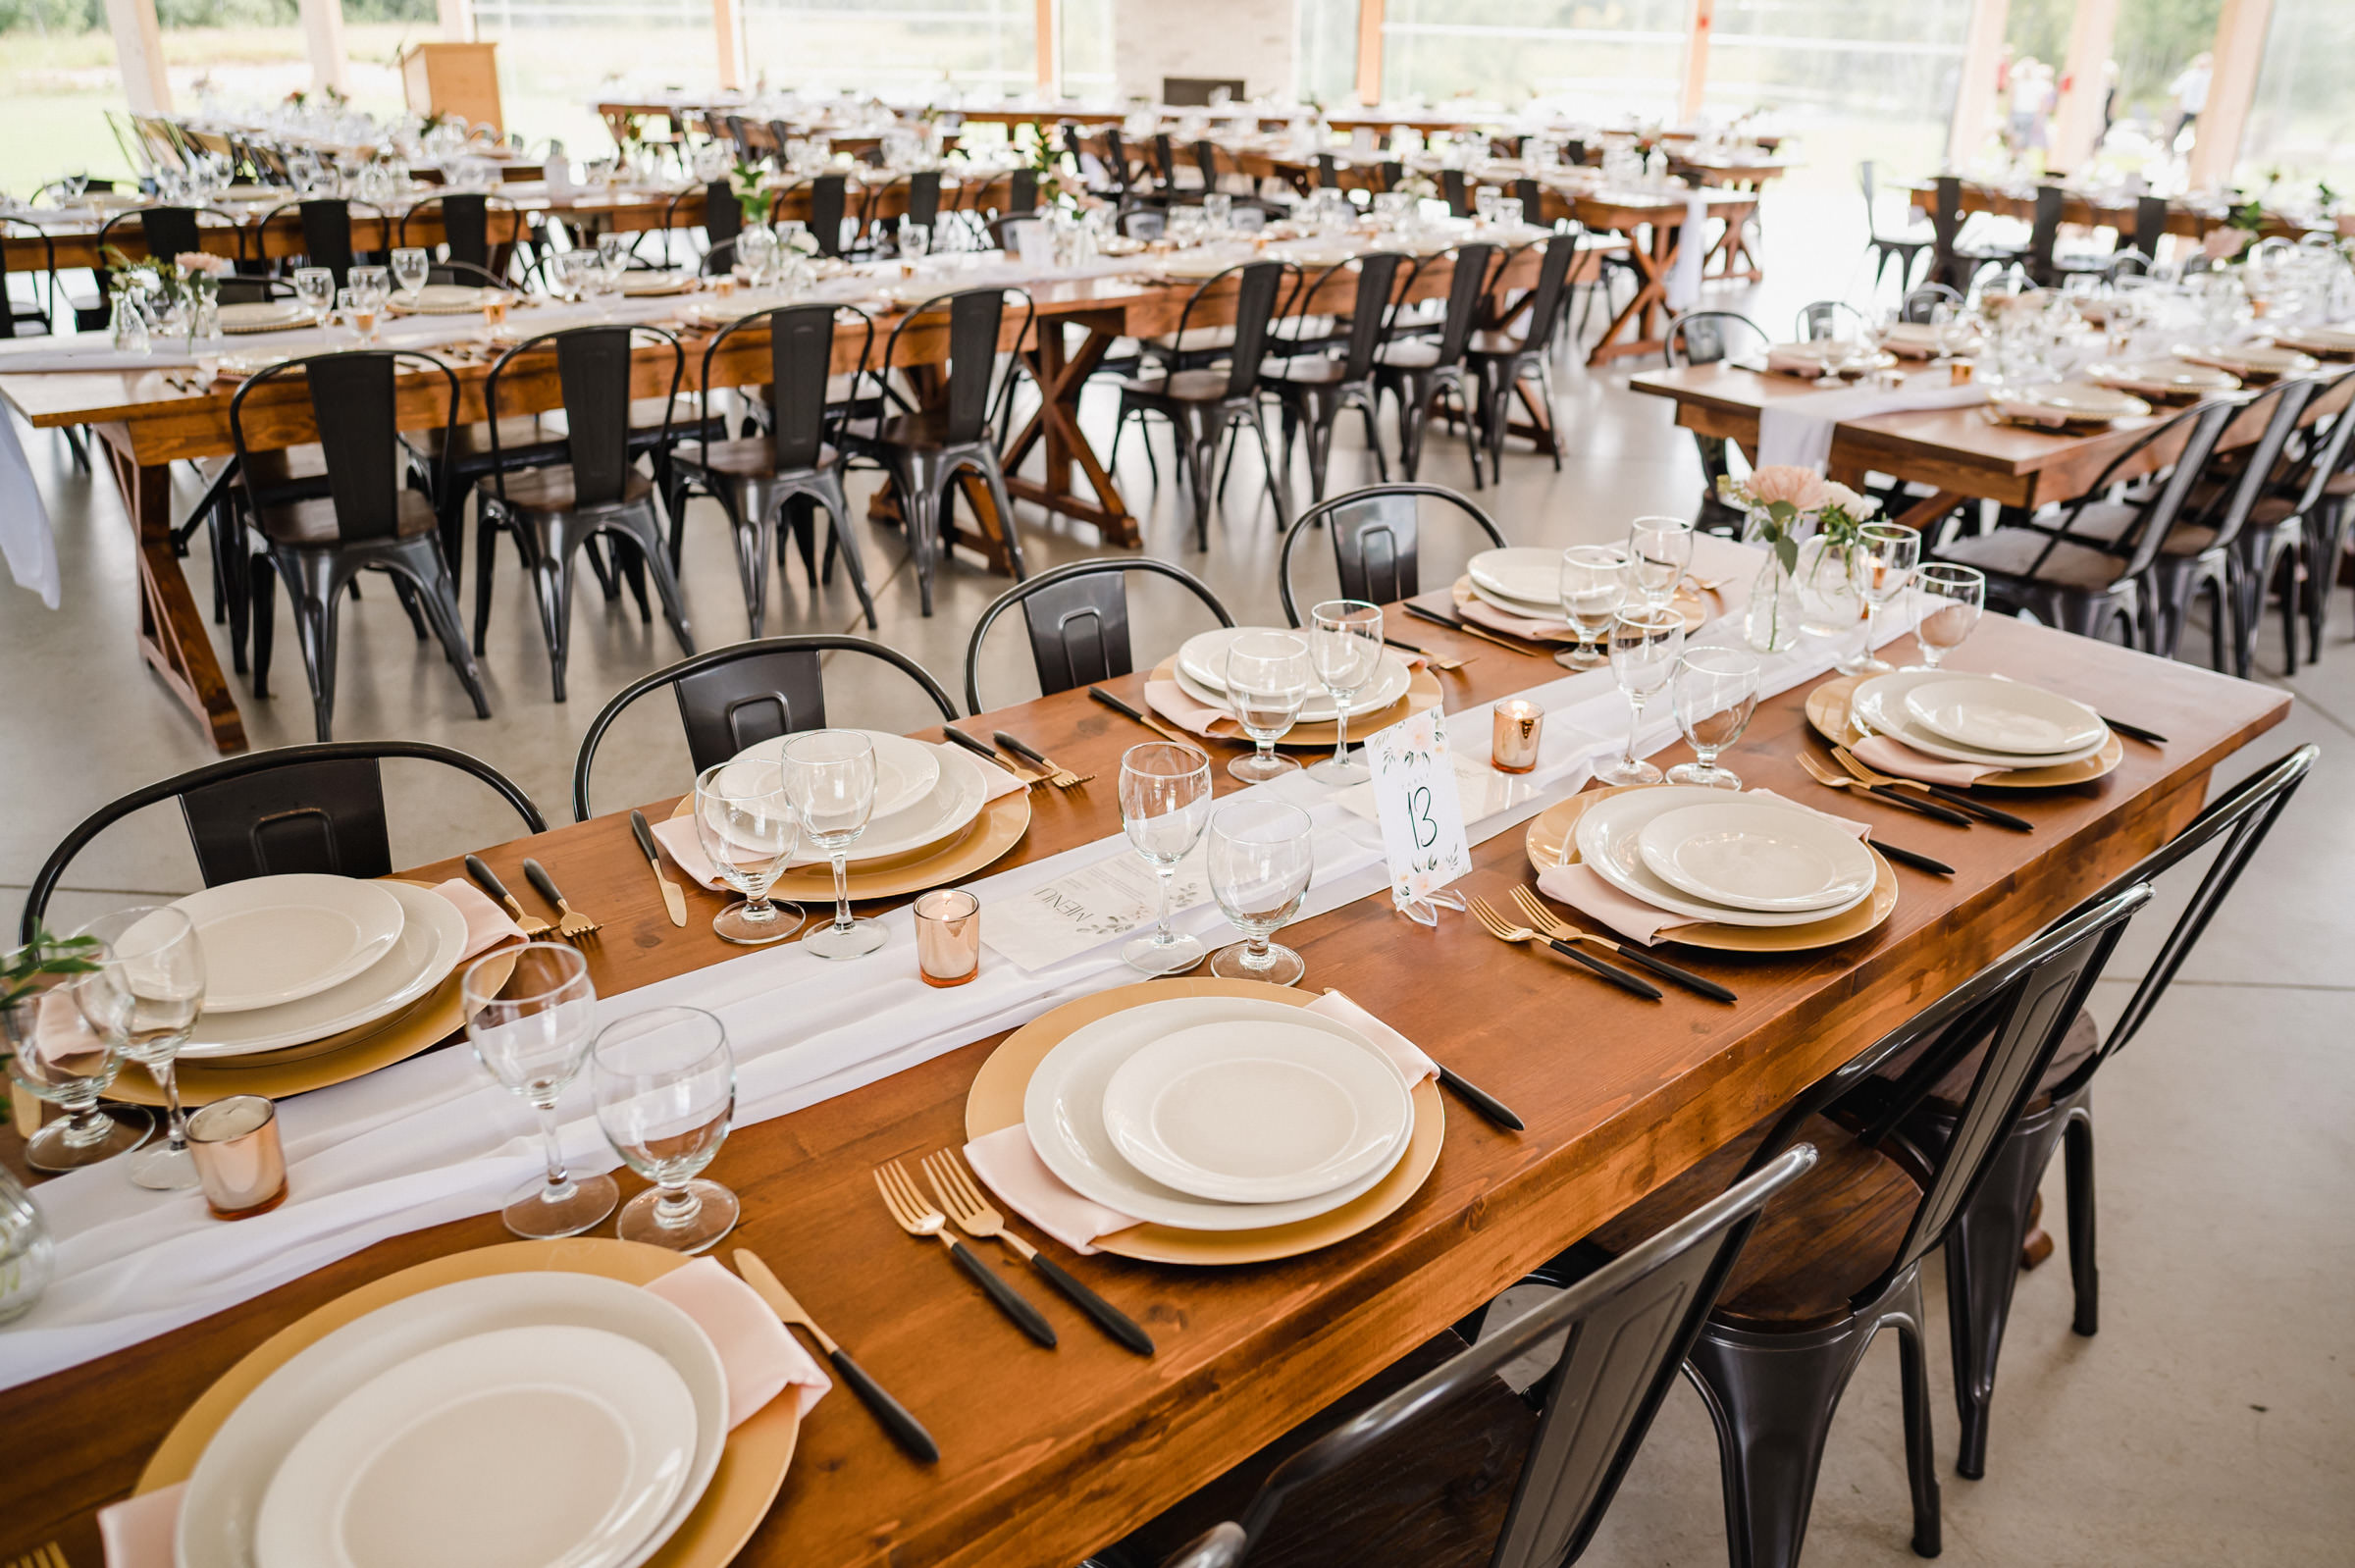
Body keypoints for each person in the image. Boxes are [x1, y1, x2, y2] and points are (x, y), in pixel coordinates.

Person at [2171, 51, 2213, 150]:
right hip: (2187, 109)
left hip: (2202, 111)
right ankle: (2173, 153)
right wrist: (2179, 105)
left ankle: (2193, 155)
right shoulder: (2189, 75)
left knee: (2201, 135)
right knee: (2177, 132)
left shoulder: (2210, 76)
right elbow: (2175, 90)